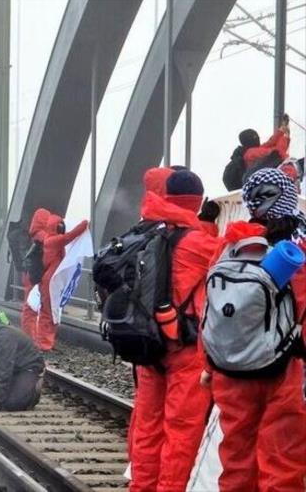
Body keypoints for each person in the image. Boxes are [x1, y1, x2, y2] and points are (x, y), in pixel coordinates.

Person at [201, 168, 306, 490]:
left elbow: (213, 310)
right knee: (282, 461)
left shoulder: (231, 246)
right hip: (288, 367)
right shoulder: (299, 247)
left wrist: (208, 366)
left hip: (234, 369)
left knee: (236, 456)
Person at [127, 169, 217, 491]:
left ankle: (140, 487)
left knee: (147, 429)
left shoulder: (148, 234)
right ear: (197, 201)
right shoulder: (200, 243)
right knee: (180, 433)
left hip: (149, 346)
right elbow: (227, 258)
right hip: (185, 349)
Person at [35, 213, 88, 351]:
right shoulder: (54, 240)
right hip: (50, 283)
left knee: (49, 311)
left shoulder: (48, 239)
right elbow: (70, 236)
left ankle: (46, 341)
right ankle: (44, 343)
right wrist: (84, 224)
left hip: (48, 281)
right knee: (49, 313)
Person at [21, 208, 50, 341]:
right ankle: (32, 338)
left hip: (31, 275)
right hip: (35, 276)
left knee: (30, 306)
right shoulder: (42, 235)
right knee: (32, 308)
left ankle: (31, 336)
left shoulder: (35, 234)